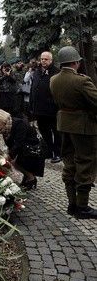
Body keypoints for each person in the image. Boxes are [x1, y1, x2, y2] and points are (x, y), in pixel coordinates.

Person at [50, 46, 97, 220]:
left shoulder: (53, 79)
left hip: (64, 124)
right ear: (76, 62)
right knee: (85, 163)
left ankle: (72, 203)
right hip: (83, 126)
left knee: (69, 164)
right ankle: (82, 206)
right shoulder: (81, 81)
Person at [0, 108, 45, 190]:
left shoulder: (19, 123)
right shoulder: (5, 129)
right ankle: (27, 176)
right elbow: (10, 144)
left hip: (35, 148)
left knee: (16, 162)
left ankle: (31, 178)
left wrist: (9, 156)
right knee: (12, 160)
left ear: (2, 120)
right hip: (26, 147)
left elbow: (19, 142)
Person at [29, 51, 61, 163]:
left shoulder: (56, 72)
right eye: (42, 59)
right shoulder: (37, 72)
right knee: (44, 131)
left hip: (52, 108)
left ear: (51, 60)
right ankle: (49, 151)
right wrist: (32, 106)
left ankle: (58, 153)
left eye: (46, 59)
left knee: (56, 132)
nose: (43, 61)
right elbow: (33, 88)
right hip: (39, 108)